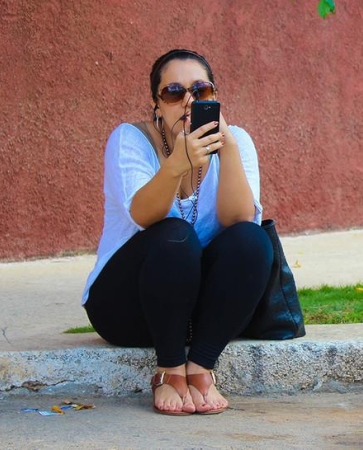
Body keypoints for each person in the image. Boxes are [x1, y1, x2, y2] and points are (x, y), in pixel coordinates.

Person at [82, 49, 273, 415]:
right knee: (174, 235)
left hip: (198, 314)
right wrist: (175, 166)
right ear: (157, 104)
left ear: (214, 97)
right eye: (174, 92)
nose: (188, 101)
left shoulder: (238, 142)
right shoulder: (130, 140)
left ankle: (201, 367)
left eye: (201, 91)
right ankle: (169, 371)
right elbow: (142, 214)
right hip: (128, 308)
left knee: (252, 238)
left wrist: (227, 149)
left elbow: (239, 220)